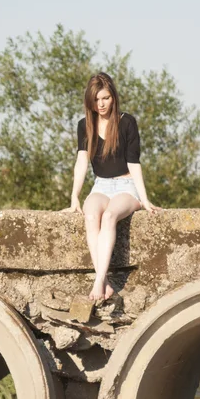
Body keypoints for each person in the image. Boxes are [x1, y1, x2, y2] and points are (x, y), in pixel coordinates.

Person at [63, 72, 161, 301]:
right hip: (101, 185)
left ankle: (99, 281)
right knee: (90, 215)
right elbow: (81, 162)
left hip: (126, 186)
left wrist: (144, 200)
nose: (101, 104)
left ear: (113, 97)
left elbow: (134, 163)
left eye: (105, 98)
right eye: (96, 100)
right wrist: (74, 197)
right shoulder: (84, 125)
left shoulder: (127, 122)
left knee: (108, 217)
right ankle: (104, 281)